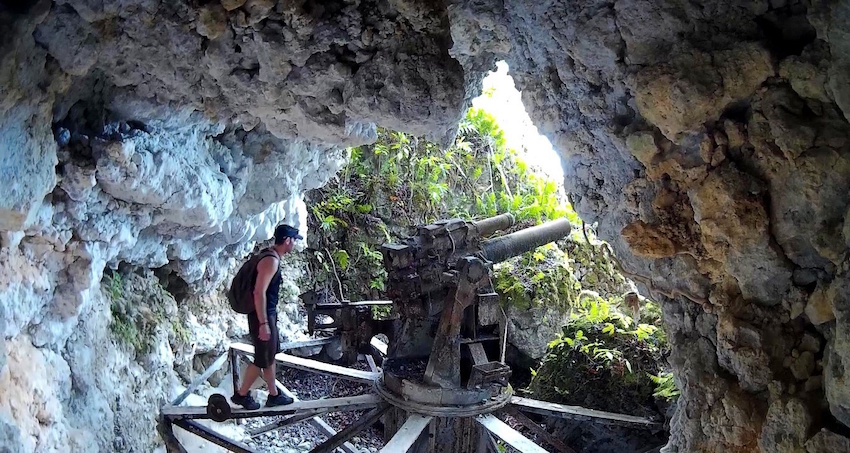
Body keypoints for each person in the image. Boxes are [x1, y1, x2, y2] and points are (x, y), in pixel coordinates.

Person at [230, 224, 302, 410]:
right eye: (293, 240)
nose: (294, 244)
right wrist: (263, 324)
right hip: (262, 316)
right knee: (262, 358)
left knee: (269, 355)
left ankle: (273, 394)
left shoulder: (269, 255)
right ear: (287, 241)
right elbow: (259, 293)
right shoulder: (271, 261)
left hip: (266, 315)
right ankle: (241, 395)